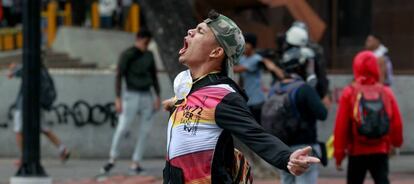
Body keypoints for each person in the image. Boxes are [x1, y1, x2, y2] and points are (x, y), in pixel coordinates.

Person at [162, 10, 320, 183]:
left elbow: (255, 134)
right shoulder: (186, 86)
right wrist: (175, 103)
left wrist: (287, 158)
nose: (190, 31)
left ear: (216, 52)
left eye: (200, 31)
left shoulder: (222, 96)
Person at [334, 51, 403, 184]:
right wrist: (396, 143)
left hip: (356, 150)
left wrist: (339, 154)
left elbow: (341, 126)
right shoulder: (385, 91)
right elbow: (396, 122)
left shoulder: (350, 92)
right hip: (381, 149)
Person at [264, 42, 328, 184]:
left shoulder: (275, 88)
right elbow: (323, 114)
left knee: (286, 180)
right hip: (304, 148)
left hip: (283, 148)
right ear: (302, 66)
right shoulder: (304, 89)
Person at [101, 29, 161, 175]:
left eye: (148, 43)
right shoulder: (127, 54)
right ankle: (112, 158)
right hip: (131, 94)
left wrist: (157, 96)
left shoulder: (149, 55)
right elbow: (119, 76)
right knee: (123, 126)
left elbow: (154, 76)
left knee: (145, 130)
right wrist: (117, 98)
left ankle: (136, 162)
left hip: (147, 95)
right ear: (139, 39)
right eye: (145, 42)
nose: (146, 46)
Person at [7, 62, 71, 166]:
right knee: (44, 128)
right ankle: (62, 148)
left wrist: (12, 68)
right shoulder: (42, 69)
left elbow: (10, 75)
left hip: (24, 104)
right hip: (37, 104)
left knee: (18, 131)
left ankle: (24, 157)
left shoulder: (27, 66)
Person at [233, 33, 284, 124]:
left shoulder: (256, 59)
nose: (243, 46)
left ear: (252, 46)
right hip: (247, 99)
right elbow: (241, 78)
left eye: (246, 44)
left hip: (257, 100)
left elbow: (238, 70)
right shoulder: (243, 59)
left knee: (257, 126)